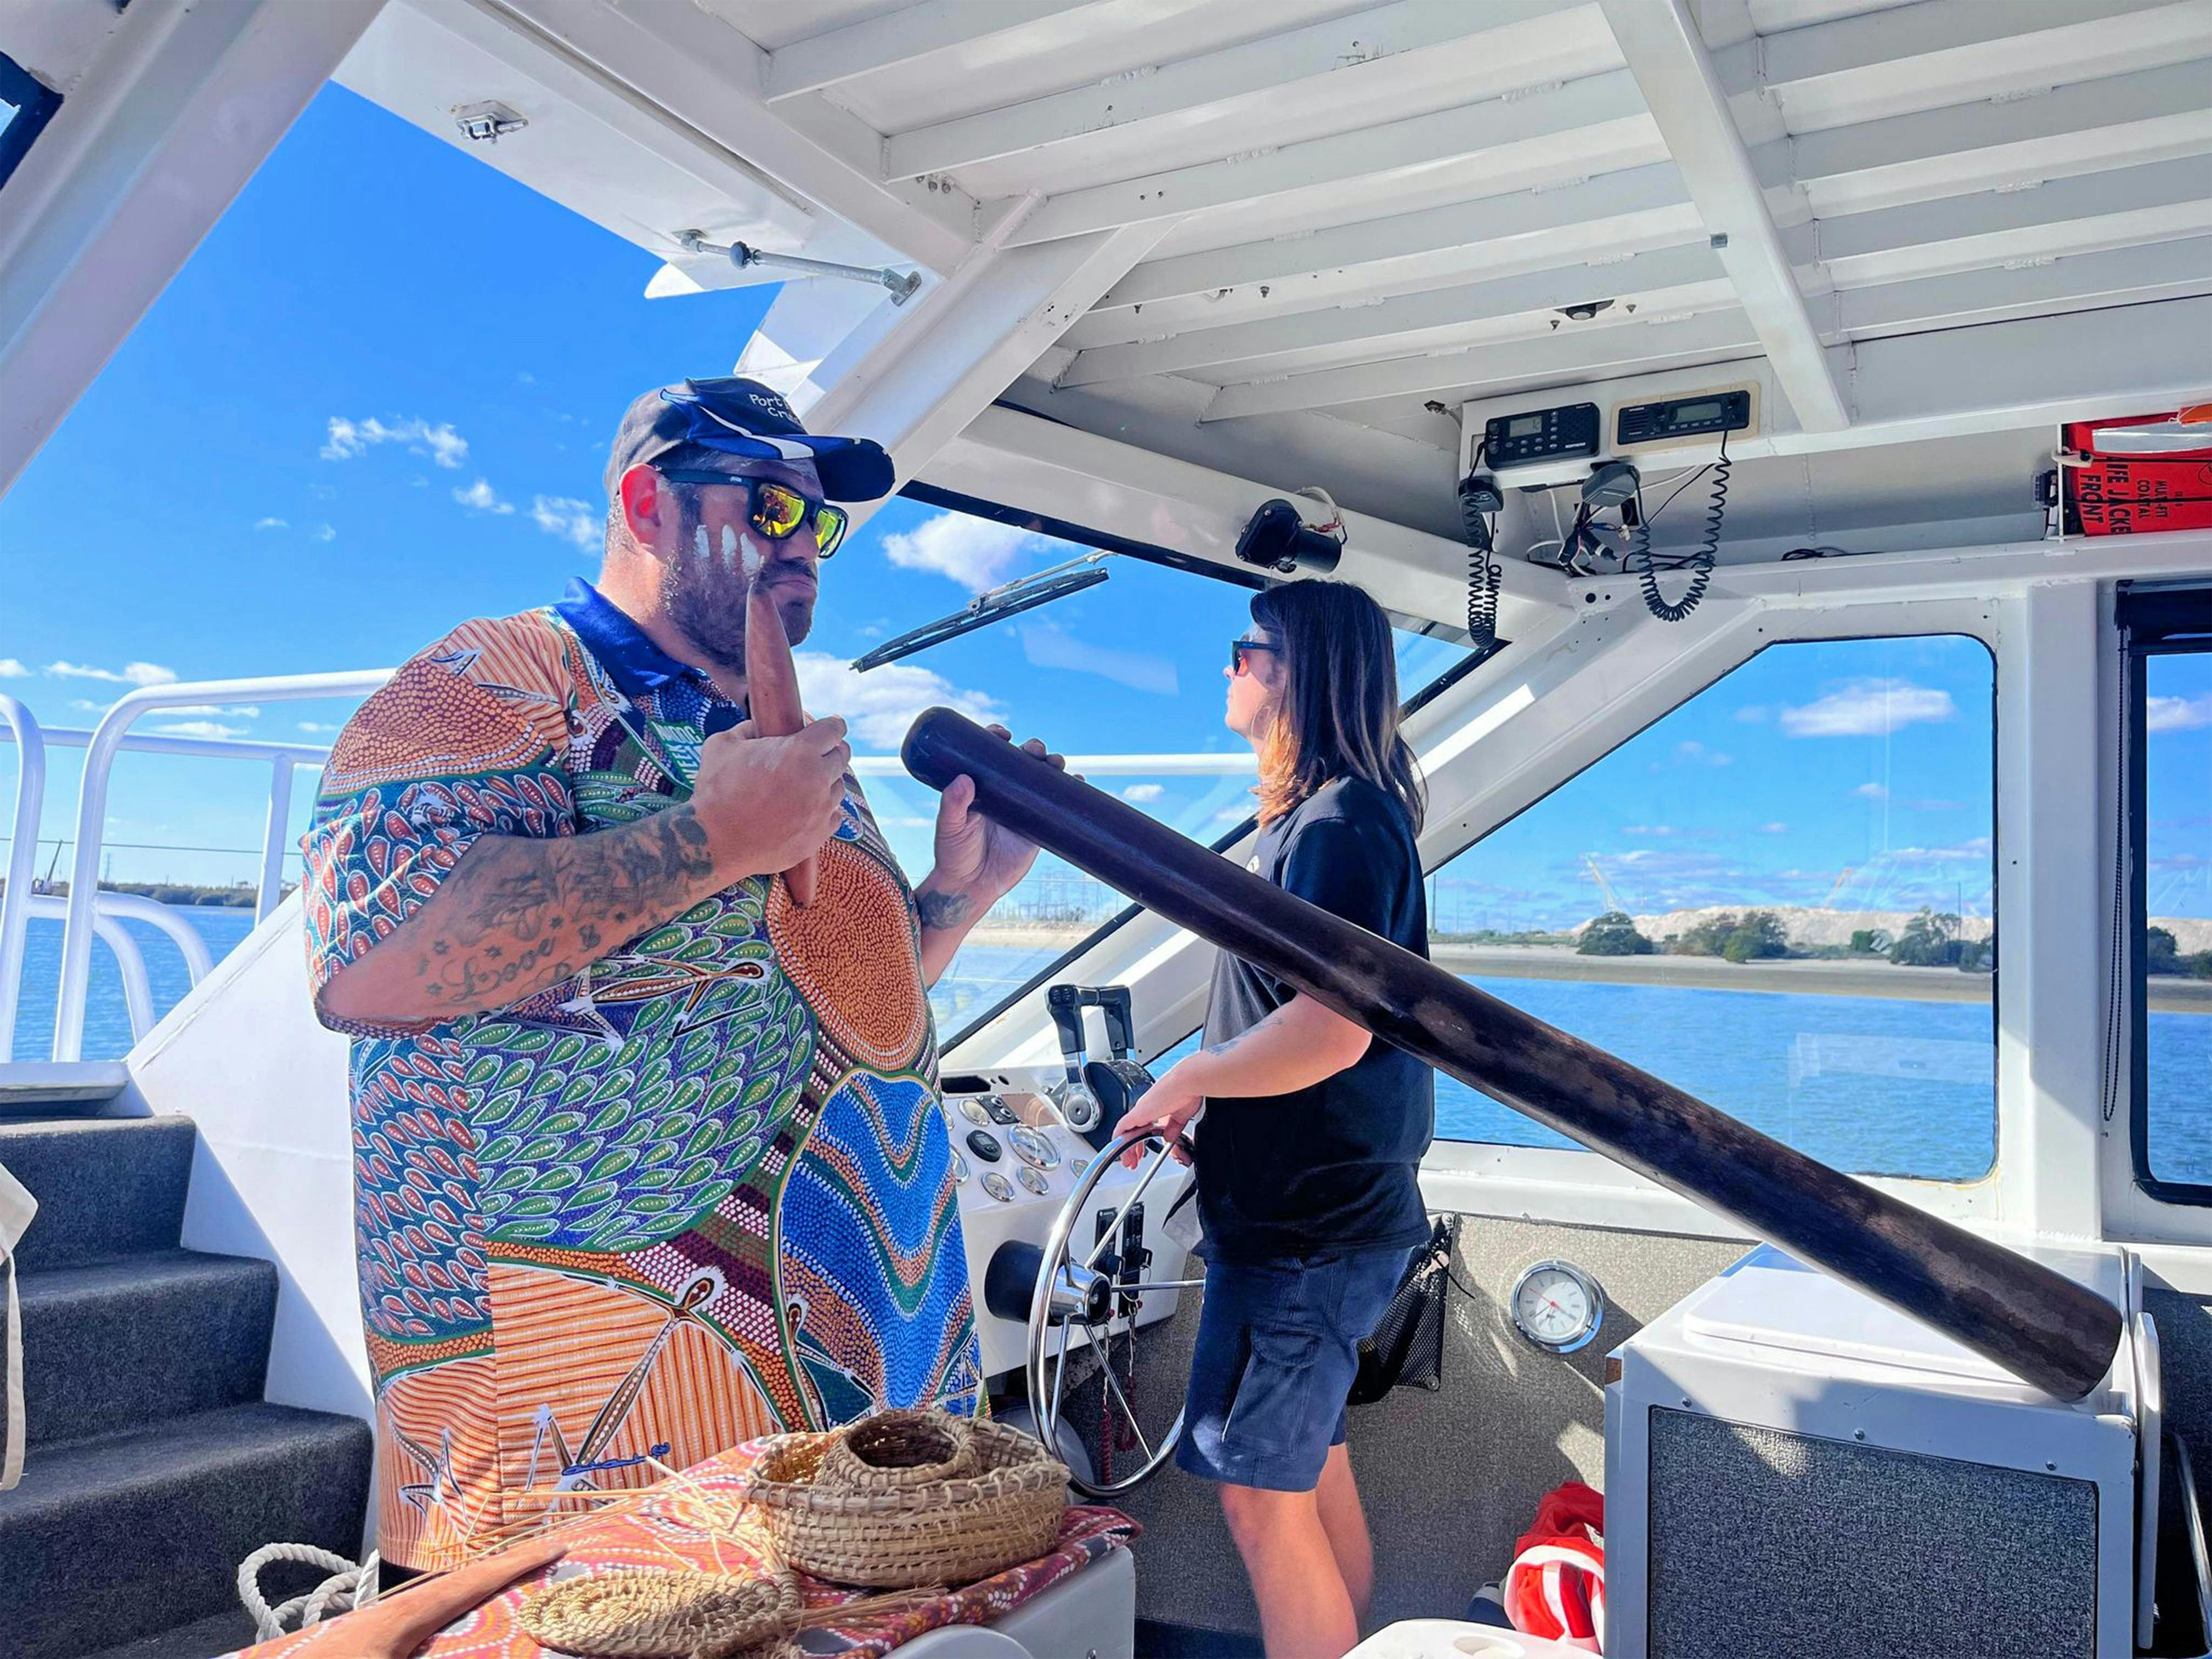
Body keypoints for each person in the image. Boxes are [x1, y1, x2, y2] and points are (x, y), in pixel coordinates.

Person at [302, 376, 1057, 1572]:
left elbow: (842, 1006)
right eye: (770, 509)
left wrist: (958, 897)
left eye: (821, 524)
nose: (804, 548)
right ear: (649, 504)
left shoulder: (780, 734)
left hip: (844, 1396)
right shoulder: (495, 680)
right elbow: (368, 961)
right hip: (581, 1422)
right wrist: (712, 840)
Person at [1113, 579, 1435, 1659]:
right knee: (1306, 1479)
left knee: (1259, 1499)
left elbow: (1332, 1032)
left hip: (1308, 1238)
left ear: (1297, 672)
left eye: (1243, 651)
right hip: (1315, 1225)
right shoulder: (1331, 819)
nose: (1229, 669)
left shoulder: (1339, 825)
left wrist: (1191, 1077)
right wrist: (1214, 1098)